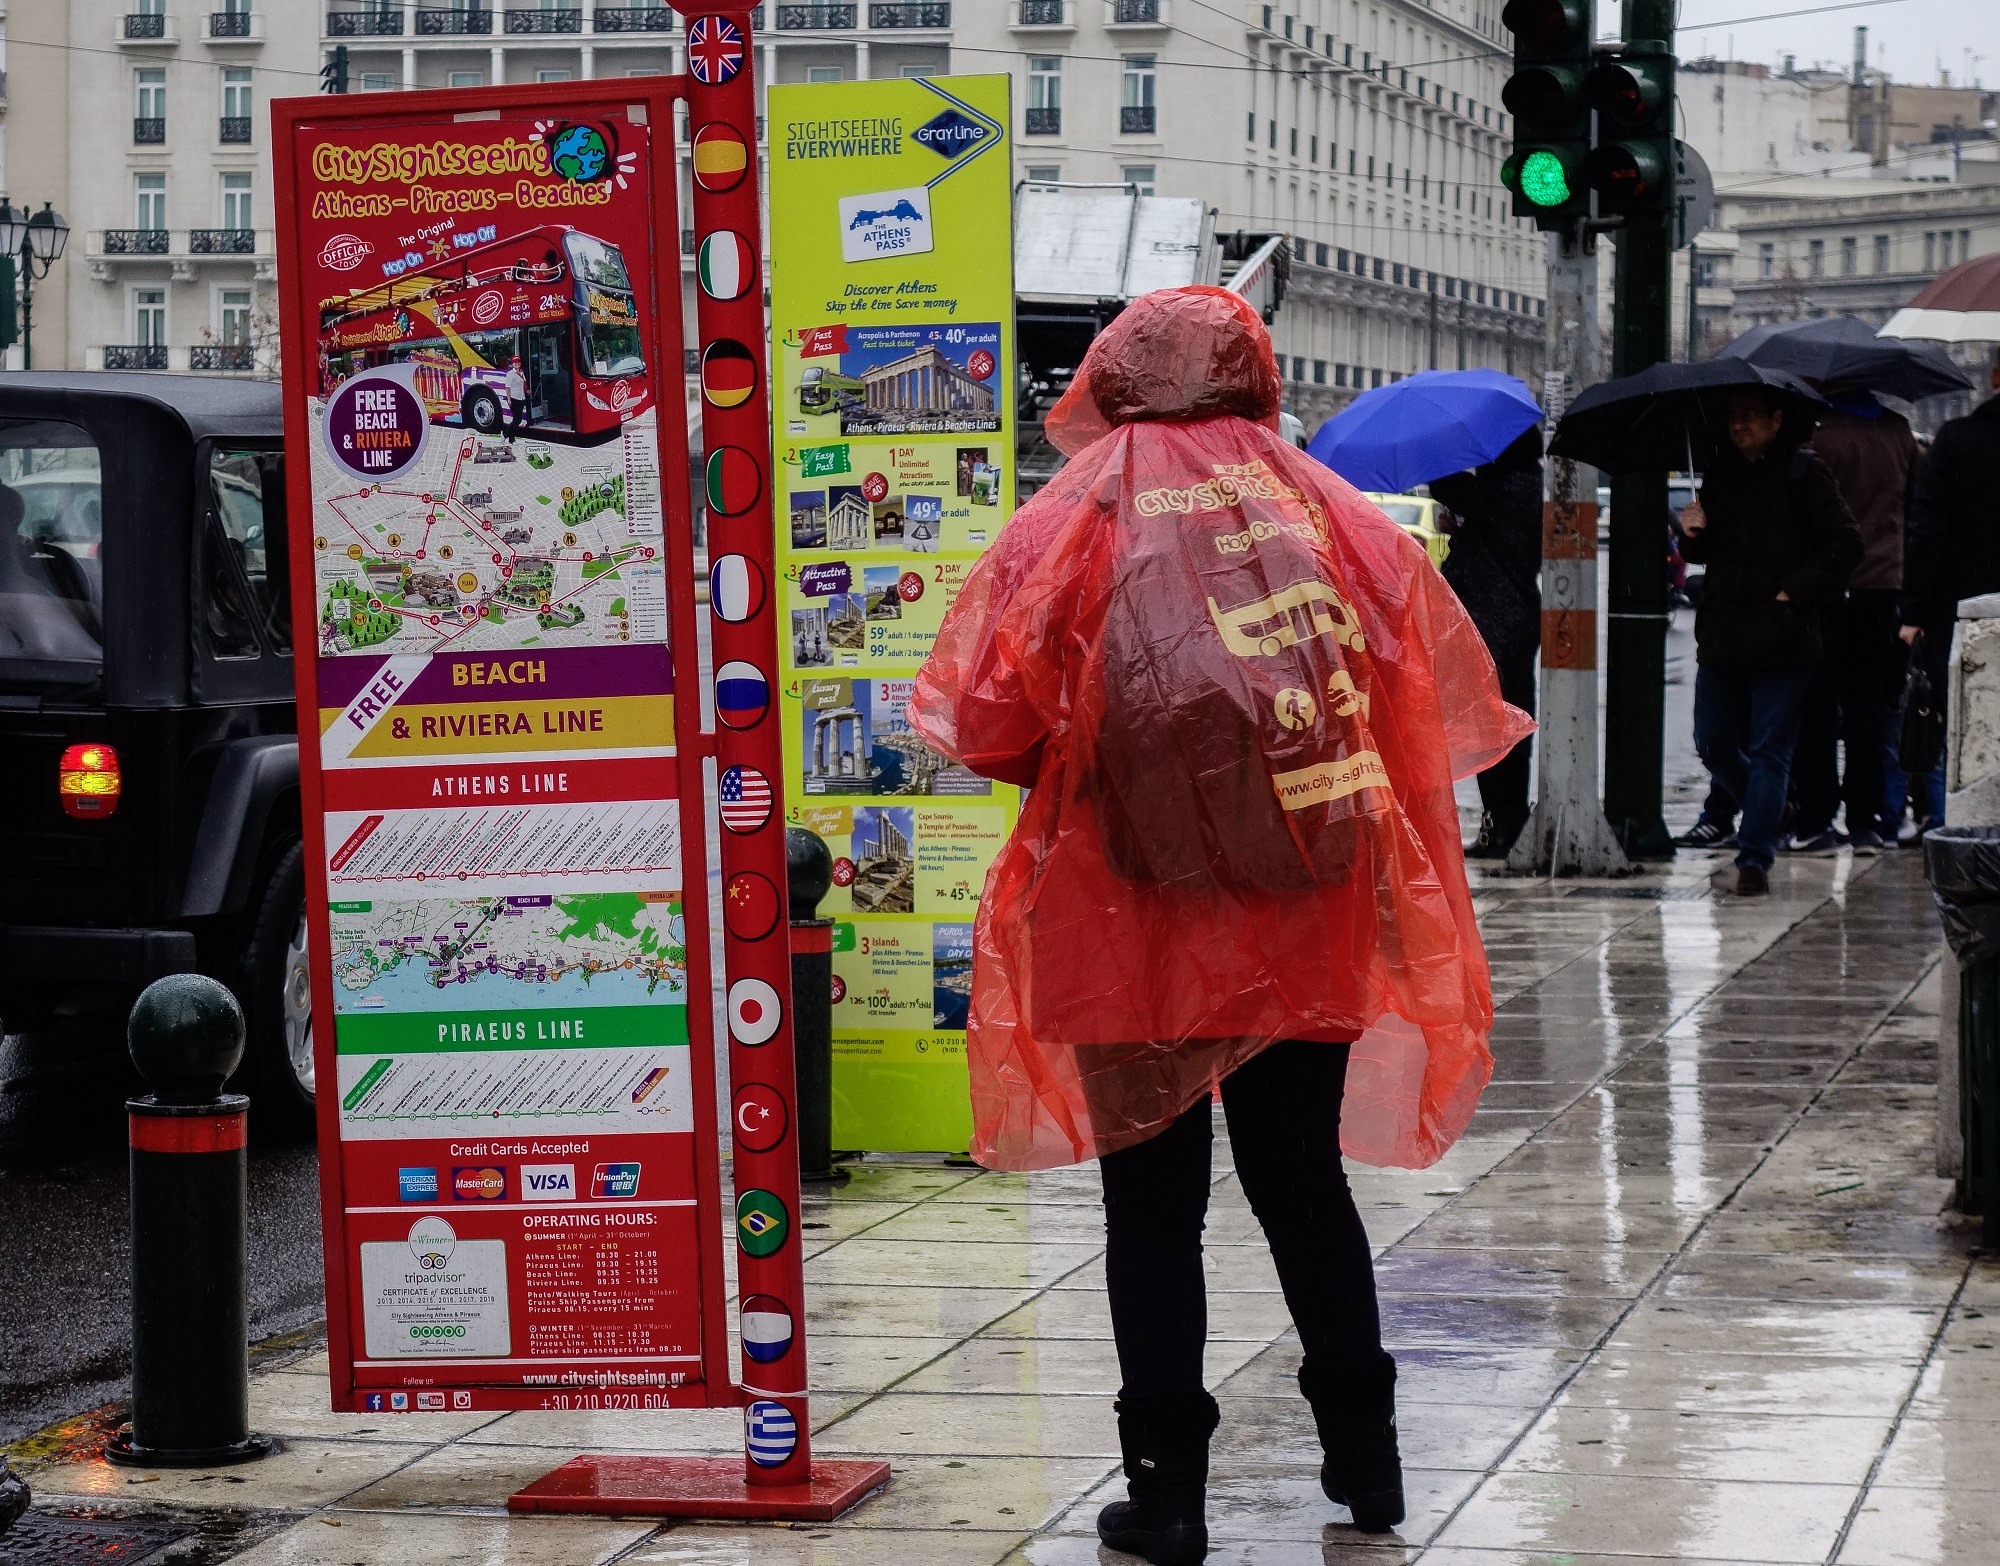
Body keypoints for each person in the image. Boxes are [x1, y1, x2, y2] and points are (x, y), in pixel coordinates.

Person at [907, 287, 1530, 1564]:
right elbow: (1424, 707)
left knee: (1151, 1209)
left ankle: (1168, 1492)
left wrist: (1103, 773)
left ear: (1115, 376)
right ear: (1252, 371)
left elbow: (984, 722)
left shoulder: (1066, 522)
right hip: (1303, 902)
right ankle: (1366, 1468)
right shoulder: (1333, 515)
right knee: (1302, 1186)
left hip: (1122, 914)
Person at [1678, 387, 1862, 896]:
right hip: (1724, 633)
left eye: (1750, 417)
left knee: (1770, 750)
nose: (1739, 426)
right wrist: (1690, 534)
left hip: (1784, 636)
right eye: (1733, 417)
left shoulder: (1805, 472)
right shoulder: (1720, 473)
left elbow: (1846, 543)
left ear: (1777, 420)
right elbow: (1703, 552)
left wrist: (1793, 590)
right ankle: (1774, 807)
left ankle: (1755, 856)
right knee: (1712, 741)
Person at [1782, 390, 1920, 854]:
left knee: (1818, 706)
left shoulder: (1820, 435)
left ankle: (1817, 818)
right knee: (1867, 708)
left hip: (1828, 585)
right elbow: (1912, 505)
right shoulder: (1898, 431)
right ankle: (1867, 822)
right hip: (1882, 584)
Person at [1429, 427, 1543, 857]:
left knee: (1494, 728)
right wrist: (1463, 528)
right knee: (1497, 726)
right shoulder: (1514, 491)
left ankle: (1504, 823)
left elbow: (1449, 483)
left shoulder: (1514, 488)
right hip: (1504, 624)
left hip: (1497, 626)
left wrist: (1437, 445)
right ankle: (1502, 820)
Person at [1899, 349, 2000, 836]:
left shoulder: (1958, 442)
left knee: (1958, 719)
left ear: (1995, 377)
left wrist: (1914, 611)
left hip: (1964, 613)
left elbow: (1928, 531)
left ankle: (1956, 827)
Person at [503, 355, 530, 440]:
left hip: (521, 398)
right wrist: (509, 399)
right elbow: (507, 387)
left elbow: (524, 384)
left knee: (518, 420)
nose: (517, 364)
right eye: (515, 362)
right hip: (514, 399)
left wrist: (527, 391)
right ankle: (505, 434)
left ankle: (511, 438)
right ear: (512, 364)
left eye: (518, 362)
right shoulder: (510, 374)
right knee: (516, 420)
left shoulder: (521, 373)